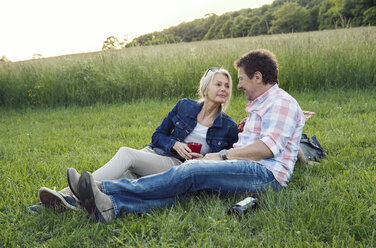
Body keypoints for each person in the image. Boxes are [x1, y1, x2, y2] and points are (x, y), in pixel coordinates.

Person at [69, 49, 305, 223]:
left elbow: (268, 149)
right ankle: (111, 206)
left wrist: (220, 156)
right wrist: (213, 159)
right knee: (187, 187)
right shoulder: (261, 105)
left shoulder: (281, 102)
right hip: (245, 167)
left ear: (257, 77)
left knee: (189, 171)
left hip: (265, 175)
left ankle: (103, 188)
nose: (239, 86)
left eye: (240, 79)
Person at [29, 67, 239, 212]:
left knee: (126, 153)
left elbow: (226, 161)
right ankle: (63, 200)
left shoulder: (229, 126)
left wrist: (202, 159)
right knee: (125, 174)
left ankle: (70, 193)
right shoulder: (184, 106)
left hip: (178, 166)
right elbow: (157, 136)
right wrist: (174, 143)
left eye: (227, 86)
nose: (223, 89)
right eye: (218, 84)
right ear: (205, 88)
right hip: (153, 154)